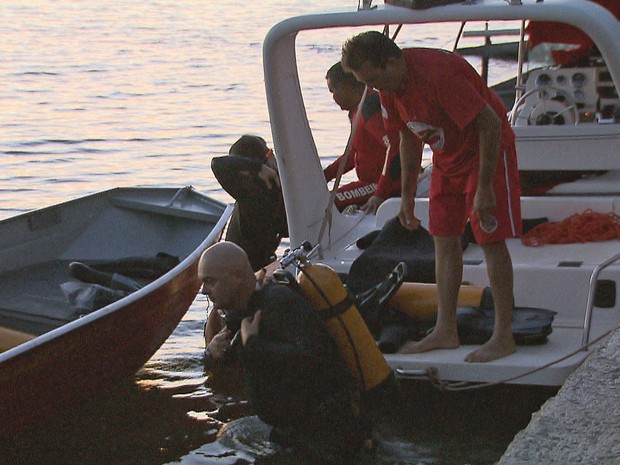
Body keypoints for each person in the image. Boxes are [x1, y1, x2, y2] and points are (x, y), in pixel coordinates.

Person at [341, 31, 522, 363]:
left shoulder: (439, 75)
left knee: (490, 238)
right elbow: (407, 138)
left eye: (376, 79)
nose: (376, 88)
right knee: (442, 237)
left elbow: (491, 124)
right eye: (367, 83)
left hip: (486, 153)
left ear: (393, 62)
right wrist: (406, 195)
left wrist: (483, 188)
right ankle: (446, 330)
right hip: (447, 157)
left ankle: (504, 335)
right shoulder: (387, 88)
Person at [200, 241, 369, 464]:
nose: (203, 290)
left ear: (238, 275)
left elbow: (315, 359)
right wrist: (211, 354)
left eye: (210, 281)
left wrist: (252, 345)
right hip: (291, 432)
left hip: (328, 436)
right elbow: (229, 368)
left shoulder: (279, 303)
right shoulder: (244, 315)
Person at [324, 62, 401, 214]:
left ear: (347, 86)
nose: (333, 98)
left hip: (382, 185)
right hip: (370, 183)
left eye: (333, 91)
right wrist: (324, 177)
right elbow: (354, 154)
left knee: (326, 203)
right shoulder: (356, 111)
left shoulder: (370, 108)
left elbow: (395, 147)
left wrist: (380, 193)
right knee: (321, 199)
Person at [211, 135, 288, 272]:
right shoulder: (251, 194)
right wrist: (259, 168)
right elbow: (217, 164)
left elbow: (284, 228)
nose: (274, 157)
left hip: (260, 267)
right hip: (242, 275)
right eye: (270, 153)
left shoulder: (273, 190)